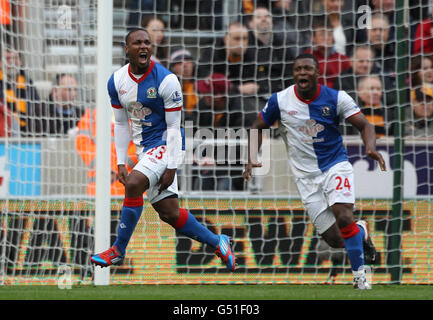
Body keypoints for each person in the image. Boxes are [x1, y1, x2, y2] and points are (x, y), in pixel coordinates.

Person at [90, 28, 236, 272]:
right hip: (143, 150)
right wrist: (120, 161)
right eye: (137, 43)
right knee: (169, 213)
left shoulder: (167, 80)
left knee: (134, 184)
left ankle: (117, 249)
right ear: (127, 49)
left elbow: (174, 127)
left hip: (164, 144)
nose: (144, 46)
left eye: (147, 42)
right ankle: (217, 241)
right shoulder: (116, 81)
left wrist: (172, 164)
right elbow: (120, 122)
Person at [243, 53, 386, 289]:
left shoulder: (337, 98)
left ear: (317, 73)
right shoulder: (280, 100)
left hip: (335, 166)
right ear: (293, 73)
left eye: (307, 68)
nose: (302, 72)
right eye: (298, 69)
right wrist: (250, 157)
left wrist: (370, 147)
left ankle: (360, 277)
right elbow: (257, 126)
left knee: (343, 215)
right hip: (305, 178)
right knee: (334, 238)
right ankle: (361, 231)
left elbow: (364, 124)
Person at [186, 73, 243, 191]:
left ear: (218, 95)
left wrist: (215, 160)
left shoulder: (241, 111)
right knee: (195, 179)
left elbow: (241, 149)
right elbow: (191, 129)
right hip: (206, 163)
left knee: (223, 186)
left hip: (234, 168)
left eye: (207, 93)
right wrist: (188, 150)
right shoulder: (204, 105)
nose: (204, 95)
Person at [75, 107, 138, 196]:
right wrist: (104, 167)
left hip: (130, 190)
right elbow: (82, 143)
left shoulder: (138, 110)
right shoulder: (91, 114)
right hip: (97, 191)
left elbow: (142, 145)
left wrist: (116, 169)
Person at [0, 47, 42, 136]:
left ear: (21, 62)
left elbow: (36, 106)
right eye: (7, 58)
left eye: (15, 58)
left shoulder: (28, 82)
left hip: (27, 132)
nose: (11, 62)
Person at [304, 18, 351, 88]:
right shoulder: (306, 58)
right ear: (313, 39)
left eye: (329, 34)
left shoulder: (342, 60)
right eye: (322, 34)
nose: (326, 37)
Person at [168, 47, 198, 115]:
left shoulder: (202, 87)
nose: (185, 64)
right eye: (179, 62)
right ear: (173, 68)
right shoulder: (169, 89)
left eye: (188, 60)